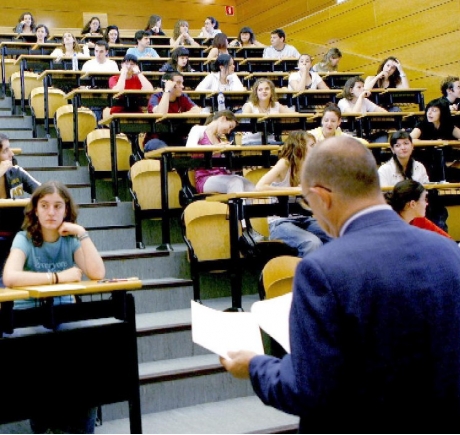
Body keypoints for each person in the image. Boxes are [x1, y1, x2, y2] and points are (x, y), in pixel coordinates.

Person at [220, 135, 460, 433]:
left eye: (308, 202)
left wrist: (254, 365)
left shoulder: (322, 270)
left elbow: (307, 389)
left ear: (322, 196)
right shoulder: (448, 251)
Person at [3, 180, 105, 434]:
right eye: (45, 206)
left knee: (91, 355)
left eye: (58, 206)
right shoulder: (24, 238)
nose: (51, 212)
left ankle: (80, 429)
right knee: (39, 357)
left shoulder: (71, 239)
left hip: (65, 315)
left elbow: (97, 273)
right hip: (28, 317)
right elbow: (10, 277)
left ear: (66, 210)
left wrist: (82, 232)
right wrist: (57, 277)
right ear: (35, 210)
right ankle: (44, 426)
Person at [255, 131, 332, 256]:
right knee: (312, 243)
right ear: (299, 146)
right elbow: (259, 187)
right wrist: (293, 190)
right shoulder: (285, 163)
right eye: (312, 145)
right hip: (280, 222)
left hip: (305, 218)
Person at [186, 110, 255, 195]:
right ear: (223, 119)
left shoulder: (221, 138)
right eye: (230, 126)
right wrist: (215, 148)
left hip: (222, 175)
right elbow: (190, 147)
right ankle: (234, 204)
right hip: (205, 178)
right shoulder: (198, 129)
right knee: (235, 181)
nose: (229, 132)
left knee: (248, 185)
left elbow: (224, 166)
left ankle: (245, 204)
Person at [144, 71, 201, 151]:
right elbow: (160, 114)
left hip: (176, 138)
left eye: (182, 83)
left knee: (196, 145)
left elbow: (197, 110)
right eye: (178, 83)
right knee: (160, 147)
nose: (182, 86)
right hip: (156, 139)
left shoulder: (183, 97)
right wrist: (167, 90)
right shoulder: (155, 97)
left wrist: (180, 115)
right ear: (168, 84)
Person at [386, 179, 452, 239]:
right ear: (412, 204)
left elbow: (447, 240)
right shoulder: (388, 226)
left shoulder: (419, 219)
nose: (427, 203)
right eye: (424, 199)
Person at [241, 78, 295, 145]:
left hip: (270, 141)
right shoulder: (249, 106)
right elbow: (243, 126)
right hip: (250, 141)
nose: (264, 91)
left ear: (271, 91)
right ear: (256, 93)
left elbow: (293, 115)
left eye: (267, 89)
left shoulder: (276, 105)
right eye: (260, 90)